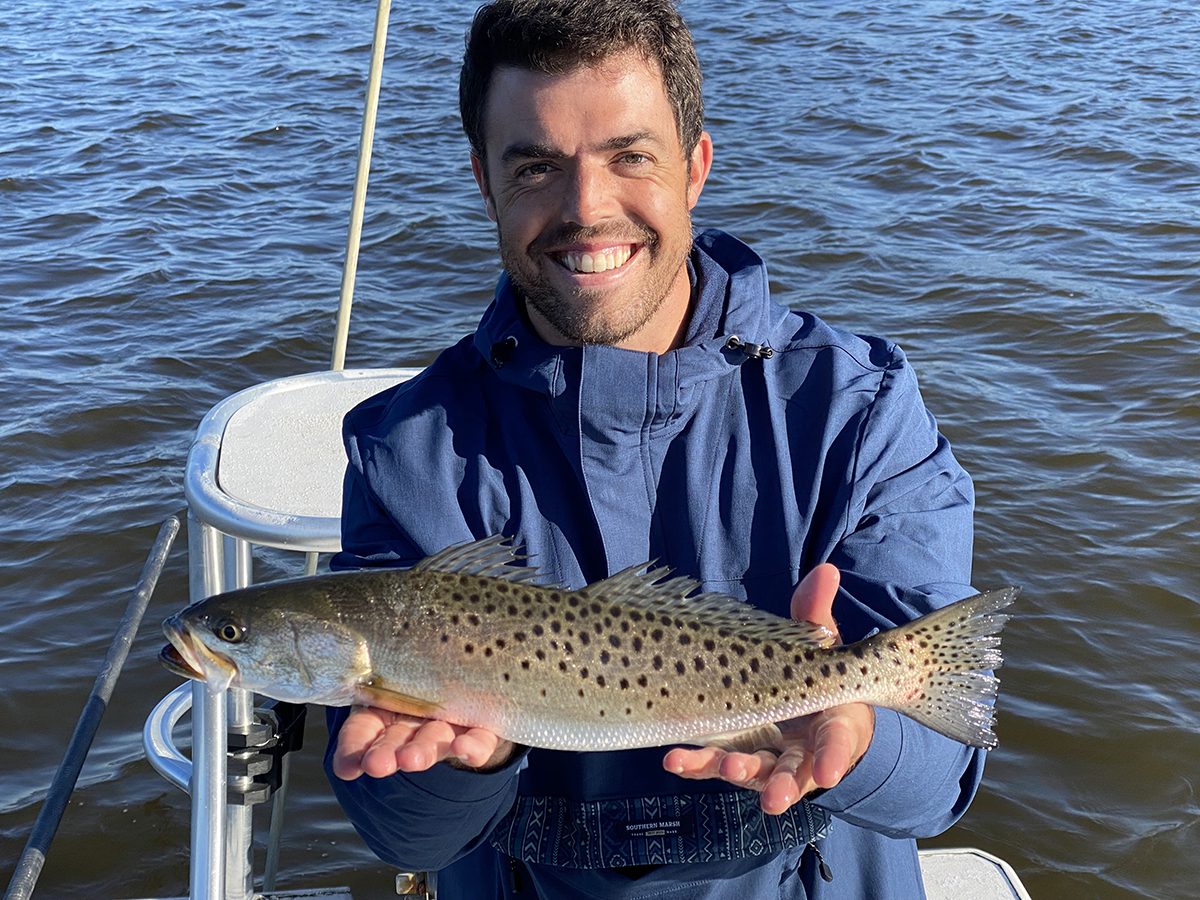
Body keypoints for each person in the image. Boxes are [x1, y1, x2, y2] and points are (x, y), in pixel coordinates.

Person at [323, 1, 985, 897]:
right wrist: (456, 765)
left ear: (695, 168)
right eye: (536, 168)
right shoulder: (406, 453)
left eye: (629, 157)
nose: (587, 209)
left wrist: (863, 737)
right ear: (485, 182)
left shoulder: (857, 407)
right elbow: (403, 835)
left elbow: (939, 779)